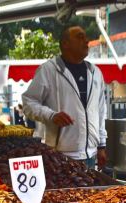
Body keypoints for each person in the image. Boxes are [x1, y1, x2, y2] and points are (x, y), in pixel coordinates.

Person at [22, 25, 107, 169]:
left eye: (85, 37)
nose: (86, 41)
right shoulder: (49, 70)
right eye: (80, 37)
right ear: (65, 44)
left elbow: (100, 111)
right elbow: (28, 102)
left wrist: (101, 146)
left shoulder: (95, 72)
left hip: (91, 156)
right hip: (59, 157)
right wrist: (51, 115)